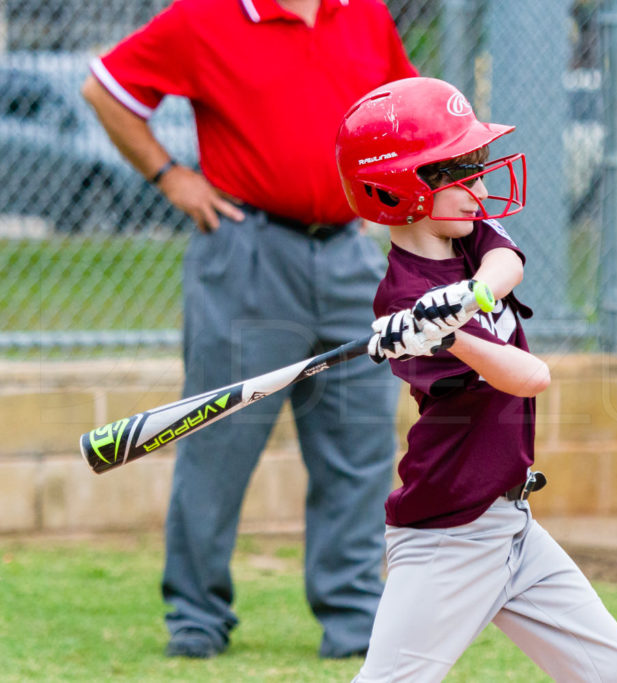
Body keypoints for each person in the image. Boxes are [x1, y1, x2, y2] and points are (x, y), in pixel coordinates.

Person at [80, 0, 417, 659]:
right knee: (219, 440)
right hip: (248, 251)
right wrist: (171, 176)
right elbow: (105, 89)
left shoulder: (364, 14)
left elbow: (400, 109)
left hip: (349, 250)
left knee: (361, 444)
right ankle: (197, 616)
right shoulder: (204, 17)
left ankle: (355, 622)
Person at [336, 76, 617, 682]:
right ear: (405, 189)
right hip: (449, 536)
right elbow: (529, 376)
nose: (480, 189)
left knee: (616, 670)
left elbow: (507, 263)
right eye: (462, 176)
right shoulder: (402, 303)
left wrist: (466, 297)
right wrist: (445, 333)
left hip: (511, 523)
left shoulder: (466, 236)